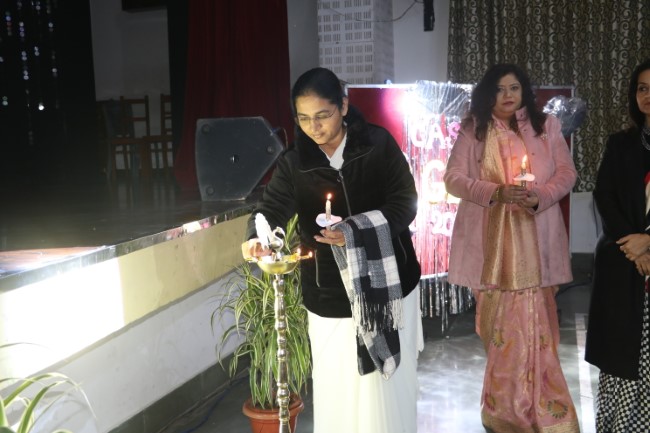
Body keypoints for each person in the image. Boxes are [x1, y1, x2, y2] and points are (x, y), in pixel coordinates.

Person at [242, 67, 423, 433]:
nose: (314, 127)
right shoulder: (295, 162)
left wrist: (354, 232)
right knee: (340, 389)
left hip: (388, 288)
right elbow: (271, 208)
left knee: (388, 390)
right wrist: (257, 236)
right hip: (330, 294)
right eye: (304, 118)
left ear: (343, 105)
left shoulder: (377, 145)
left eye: (323, 115)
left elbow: (405, 203)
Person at [444, 63, 580, 432]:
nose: (507, 96)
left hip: (537, 243)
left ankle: (544, 407)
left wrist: (541, 197)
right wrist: (495, 192)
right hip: (491, 251)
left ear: (524, 92)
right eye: (500, 89)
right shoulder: (474, 129)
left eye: (514, 88)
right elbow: (453, 179)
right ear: (488, 93)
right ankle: (505, 411)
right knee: (500, 334)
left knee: (539, 329)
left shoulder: (545, 126)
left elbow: (567, 173)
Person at [586, 59, 650, 432]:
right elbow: (605, 197)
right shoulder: (620, 144)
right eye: (642, 88)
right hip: (624, 266)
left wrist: (649, 242)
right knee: (622, 358)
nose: (648, 95)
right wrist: (634, 246)